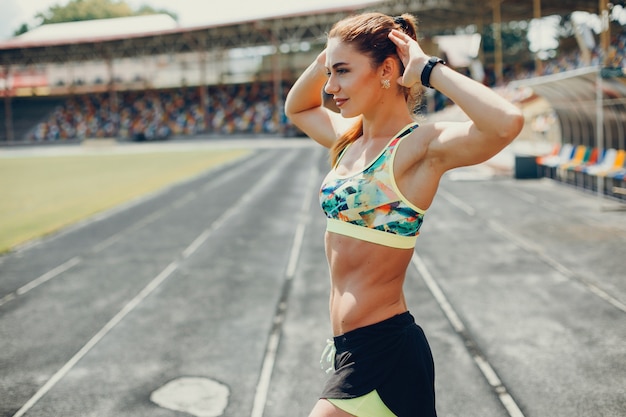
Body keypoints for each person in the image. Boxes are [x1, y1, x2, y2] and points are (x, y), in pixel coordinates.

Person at [284, 12, 523, 417]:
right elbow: (298, 107)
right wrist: (332, 52)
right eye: (329, 72)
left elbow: (506, 123)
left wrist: (428, 69)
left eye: (342, 72)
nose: (330, 87)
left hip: (384, 352)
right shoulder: (348, 140)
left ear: (387, 70)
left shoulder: (420, 147)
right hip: (352, 350)